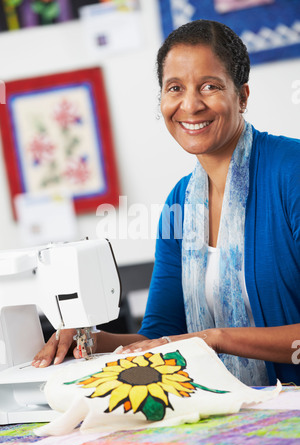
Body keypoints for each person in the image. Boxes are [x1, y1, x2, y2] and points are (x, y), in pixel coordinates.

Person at [32, 19, 300, 386]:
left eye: (210, 86)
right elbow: (158, 336)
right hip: (233, 412)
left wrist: (215, 339)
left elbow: (194, 341)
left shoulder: (291, 172)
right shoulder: (181, 203)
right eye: (175, 88)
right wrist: (91, 341)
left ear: (242, 96)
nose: (190, 104)